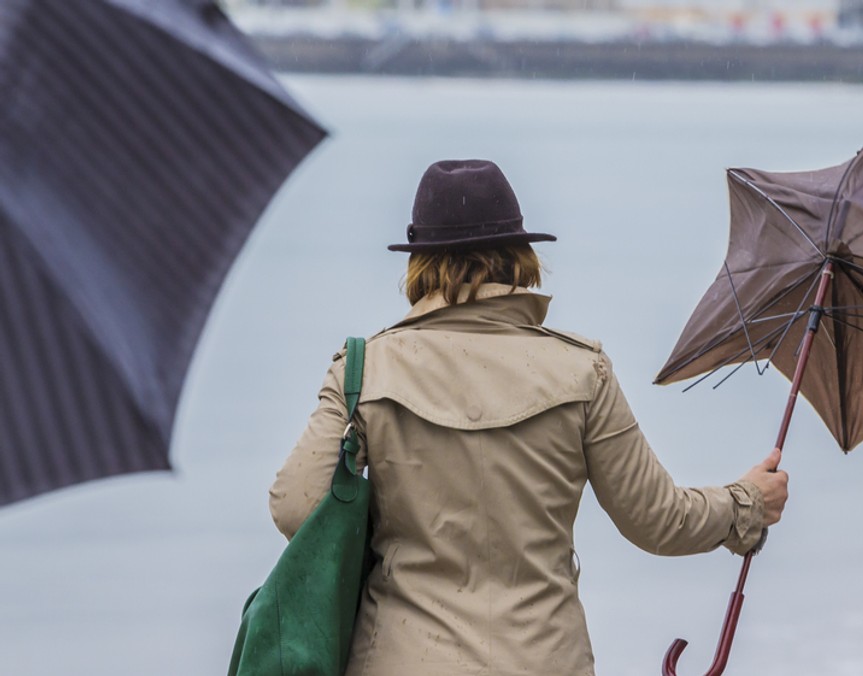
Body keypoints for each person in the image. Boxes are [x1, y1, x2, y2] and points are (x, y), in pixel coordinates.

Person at [268, 159, 789, 675]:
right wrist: (745, 505)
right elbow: (658, 521)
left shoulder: (363, 371)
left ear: (419, 263)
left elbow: (295, 507)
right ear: (520, 256)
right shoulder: (583, 371)